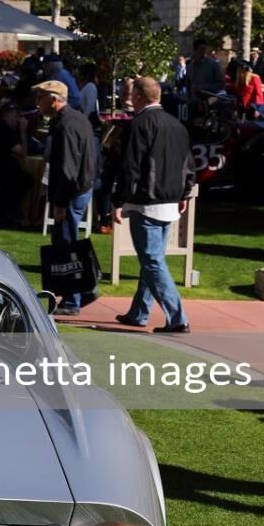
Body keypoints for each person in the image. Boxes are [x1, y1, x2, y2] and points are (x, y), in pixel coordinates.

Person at [113, 76, 195, 334]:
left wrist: (118, 200)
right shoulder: (177, 125)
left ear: (138, 96)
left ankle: (177, 318)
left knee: (152, 262)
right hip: (169, 200)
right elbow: (188, 164)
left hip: (146, 202)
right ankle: (139, 312)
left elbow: (130, 166)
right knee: (153, 260)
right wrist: (184, 194)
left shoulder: (139, 124)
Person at [36, 79, 97, 316]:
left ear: (53, 99)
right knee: (69, 244)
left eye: (41, 98)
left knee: (67, 246)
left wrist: (60, 202)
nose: (38, 103)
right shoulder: (76, 119)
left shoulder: (66, 124)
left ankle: (73, 299)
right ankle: (84, 290)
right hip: (80, 189)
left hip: (71, 192)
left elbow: (67, 168)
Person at [78, 62, 100, 128]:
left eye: (81, 74)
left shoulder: (90, 86)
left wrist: (83, 120)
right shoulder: (86, 86)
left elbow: (89, 106)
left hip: (87, 119)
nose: (79, 76)